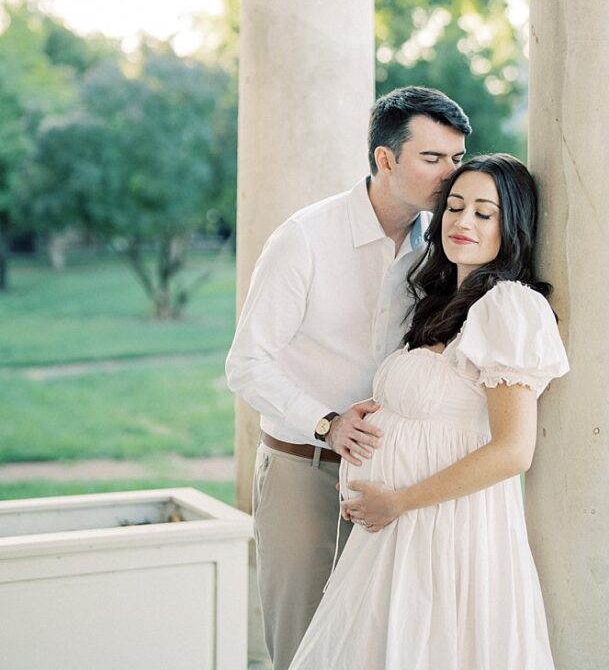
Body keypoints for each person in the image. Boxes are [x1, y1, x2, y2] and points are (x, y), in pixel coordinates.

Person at [288, 154, 570, 670]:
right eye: (455, 207)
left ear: (514, 226)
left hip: (447, 528)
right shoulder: (444, 303)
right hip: (398, 532)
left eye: (485, 213)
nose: (463, 222)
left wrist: (399, 498)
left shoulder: (508, 305)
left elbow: (513, 450)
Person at [225, 86, 471, 670]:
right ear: (386, 160)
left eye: (457, 159)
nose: (450, 175)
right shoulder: (304, 238)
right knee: (303, 647)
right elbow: (247, 363)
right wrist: (327, 425)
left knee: (378, 648)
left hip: (393, 481)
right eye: (432, 158)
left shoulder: (440, 246)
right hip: (302, 473)